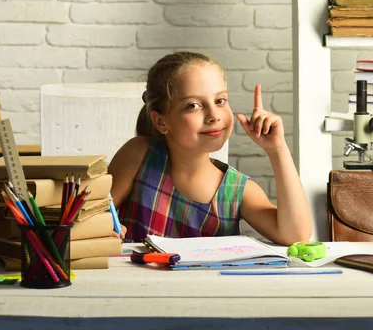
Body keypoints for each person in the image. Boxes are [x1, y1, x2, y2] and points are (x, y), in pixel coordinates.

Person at [108, 51, 312, 245]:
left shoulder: (238, 190)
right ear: (161, 122)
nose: (214, 115)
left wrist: (277, 149)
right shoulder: (139, 156)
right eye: (193, 105)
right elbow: (91, 220)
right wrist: (101, 230)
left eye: (220, 101)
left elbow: (296, 236)